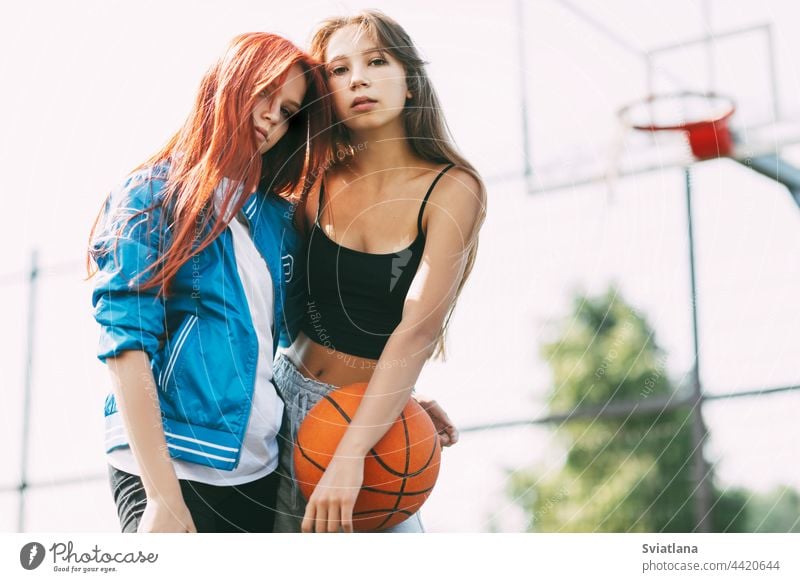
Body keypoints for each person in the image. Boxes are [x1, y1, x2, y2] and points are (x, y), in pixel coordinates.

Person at [87, 32, 331, 533]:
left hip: (258, 472)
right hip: (168, 463)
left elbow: (308, 345)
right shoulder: (152, 194)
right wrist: (161, 495)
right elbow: (124, 345)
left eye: (288, 111)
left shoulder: (276, 223)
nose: (273, 117)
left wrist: (395, 399)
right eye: (265, 94)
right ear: (227, 84)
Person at [272, 10, 487, 533]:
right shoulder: (308, 183)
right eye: (338, 70)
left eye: (375, 61)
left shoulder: (453, 188)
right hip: (274, 406)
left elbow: (418, 328)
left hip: (371, 426)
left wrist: (354, 448)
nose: (358, 79)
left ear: (410, 81)